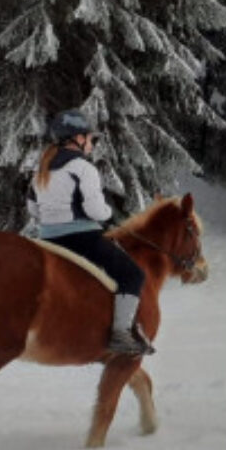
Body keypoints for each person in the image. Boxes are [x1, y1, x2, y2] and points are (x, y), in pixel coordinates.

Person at [27, 109, 154, 356]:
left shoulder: (40, 170)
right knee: (133, 275)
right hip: (82, 240)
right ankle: (120, 334)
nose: (92, 144)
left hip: (47, 240)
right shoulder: (82, 168)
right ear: (77, 138)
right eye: (90, 138)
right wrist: (109, 214)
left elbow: (33, 208)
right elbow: (95, 210)